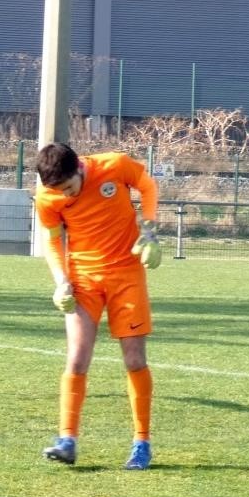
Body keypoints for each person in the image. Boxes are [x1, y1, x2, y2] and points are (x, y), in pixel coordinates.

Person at [33, 142, 162, 470]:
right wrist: (61, 281)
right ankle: (67, 440)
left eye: (68, 187)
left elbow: (148, 186)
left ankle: (142, 443)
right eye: (58, 191)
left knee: (134, 359)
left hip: (126, 274)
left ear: (79, 168)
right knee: (76, 359)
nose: (65, 195)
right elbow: (52, 240)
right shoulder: (47, 196)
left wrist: (149, 230)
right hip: (84, 279)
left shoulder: (115, 165)